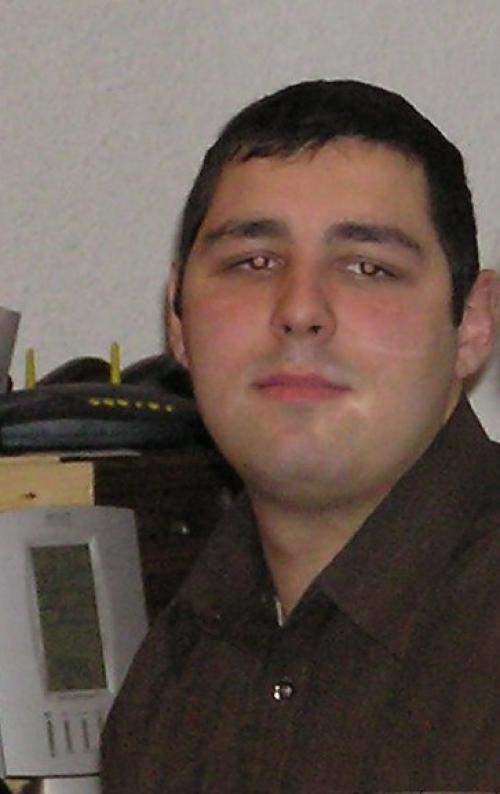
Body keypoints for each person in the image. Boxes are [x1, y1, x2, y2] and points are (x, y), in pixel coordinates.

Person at [101, 80, 500, 792]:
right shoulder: (169, 679)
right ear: (178, 321)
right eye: (253, 261)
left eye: (368, 267)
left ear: (470, 324)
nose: (300, 309)